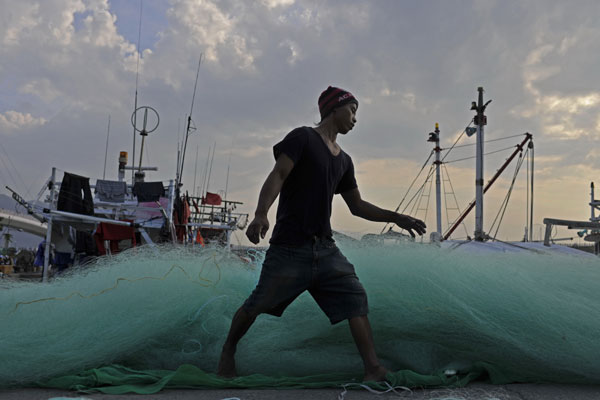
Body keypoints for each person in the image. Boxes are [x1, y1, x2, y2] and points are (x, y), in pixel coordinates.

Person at [217, 86, 426, 381]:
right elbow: (278, 174)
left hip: (325, 250)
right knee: (257, 303)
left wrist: (397, 217)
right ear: (334, 110)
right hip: (290, 247)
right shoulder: (303, 138)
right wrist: (262, 213)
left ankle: (373, 369)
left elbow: (356, 206)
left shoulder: (344, 160)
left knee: (356, 298)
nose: (355, 118)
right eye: (352, 110)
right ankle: (228, 351)